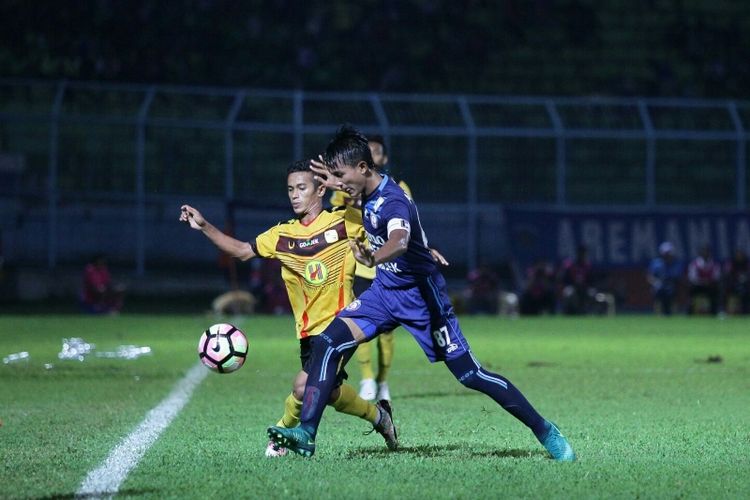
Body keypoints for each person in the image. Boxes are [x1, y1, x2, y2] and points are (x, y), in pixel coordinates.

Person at [268, 125, 575, 461]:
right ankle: (306, 434)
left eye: (341, 176)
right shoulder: (363, 188)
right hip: (384, 294)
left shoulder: (394, 201)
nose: (337, 186)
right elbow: (368, 205)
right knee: (328, 341)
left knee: (471, 375)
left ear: (363, 169)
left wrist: (375, 256)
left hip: (422, 302)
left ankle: (545, 430)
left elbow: (399, 240)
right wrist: (335, 179)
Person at [180, 160, 398, 458]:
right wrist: (204, 225)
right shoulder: (282, 235)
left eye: (301, 188)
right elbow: (243, 250)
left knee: (302, 387)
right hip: (308, 333)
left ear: (320, 189)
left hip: (345, 325)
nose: (294, 195)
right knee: (328, 393)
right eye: (290, 190)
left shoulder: (345, 221)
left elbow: (381, 201)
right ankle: (379, 417)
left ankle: (282, 434)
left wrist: (341, 183)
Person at [329, 134, 414, 401]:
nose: (374, 156)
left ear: (382, 159)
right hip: (362, 267)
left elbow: (405, 227)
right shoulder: (346, 185)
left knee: (387, 332)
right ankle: (366, 377)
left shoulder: (398, 189)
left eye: (378, 153)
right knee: (358, 322)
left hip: (389, 267)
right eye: (371, 152)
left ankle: (382, 380)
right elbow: (337, 215)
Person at [647, 241, 683, 315]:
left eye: (669, 253)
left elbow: (678, 277)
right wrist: (655, 282)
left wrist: (671, 283)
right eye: (665, 253)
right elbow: (650, 276)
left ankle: (673, 314)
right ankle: (658, 314)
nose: (667, 255)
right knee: (657, 292)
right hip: (658, 287)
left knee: (672, 292)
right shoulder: (656, 263)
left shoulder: (676, 264)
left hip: (671, 287)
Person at [558, 245, 594, 315]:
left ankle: (588, 311)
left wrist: (586, 285)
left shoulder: (588, 266)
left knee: (592, 293)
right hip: (572, 286)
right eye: (581, 253)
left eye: (584, 253)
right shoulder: (571, 265)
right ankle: (567, 312)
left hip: (585, 287)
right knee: (568, 292)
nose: (582, 255)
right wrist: (574, 283)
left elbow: (591, 280)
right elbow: (565, 279)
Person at [687, 245, 721, 315]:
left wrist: (708, 282)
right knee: (691, 290)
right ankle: (689, 312)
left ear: (709, 253)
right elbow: (692, 278)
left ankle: (714, 312)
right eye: (703, 251)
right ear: (700, 253)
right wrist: (702, 282)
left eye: (707, 252)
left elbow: (716, 277)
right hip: (698, 286)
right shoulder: (694, 264)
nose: (705, 253)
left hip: (709, 286)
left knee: (715, 290)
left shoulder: (714, 264)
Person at [723, 248, 749, 314]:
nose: (739, 256)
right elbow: (727, 276)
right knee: (724, 290)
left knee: (746, 292)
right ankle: (723, 309)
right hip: (733, 286)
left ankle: (746, 311)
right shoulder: (731, 264)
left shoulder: (747, 264)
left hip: (746, 286)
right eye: (738, 255)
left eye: (741, 255)